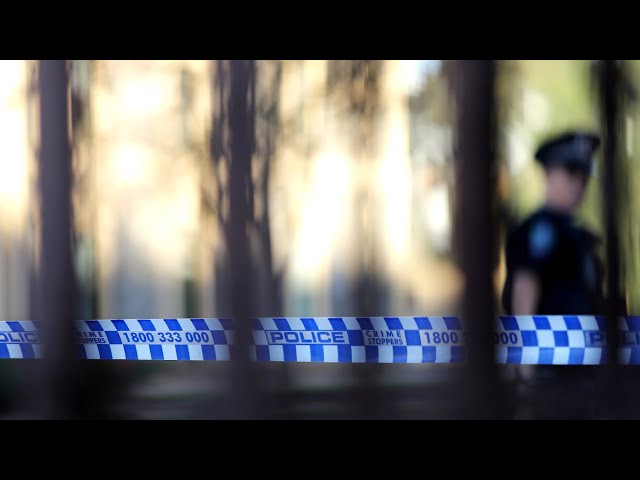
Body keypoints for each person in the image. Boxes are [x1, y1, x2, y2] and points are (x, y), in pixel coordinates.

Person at [501, 130, 604, 419]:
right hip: (551, 378)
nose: (579, 184)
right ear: (549, 174)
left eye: (583, 176)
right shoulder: (541, 229)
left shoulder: (577, 234)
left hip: (580, 375)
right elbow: (525, 292)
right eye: (571, 173)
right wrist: (527, 371)